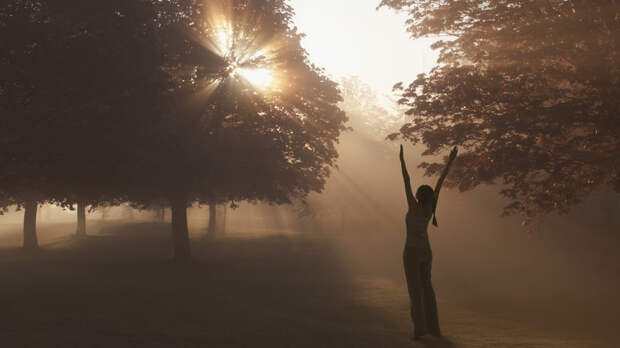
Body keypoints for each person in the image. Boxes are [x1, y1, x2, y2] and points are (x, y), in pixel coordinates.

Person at [399, 144, 457, 340]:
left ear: (418, 196)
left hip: (412, 252)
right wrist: (450, 160)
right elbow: (440, 181)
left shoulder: (414, 208)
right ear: (429, 196)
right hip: (426, 252)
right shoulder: (432, 206)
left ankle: (419, 330)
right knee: (428, 289)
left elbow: (406, 182)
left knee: (415, 291)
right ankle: (434, 328)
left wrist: (402, 161)